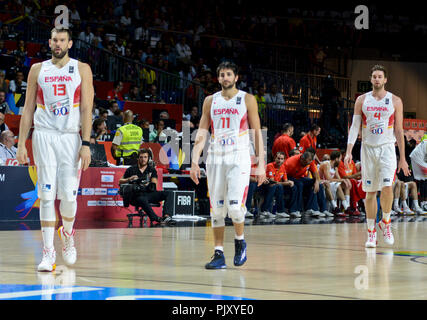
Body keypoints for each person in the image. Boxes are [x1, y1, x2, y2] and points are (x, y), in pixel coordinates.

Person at [16, 28, 93, 272]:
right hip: (44, 136)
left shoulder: (82, 69)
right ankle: (48, 252)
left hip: (70, 138)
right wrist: (20, 143)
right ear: (49, 42)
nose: (57, 44)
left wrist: (86, 144)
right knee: (47, 195)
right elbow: (27, 109)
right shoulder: (38, 69)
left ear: (69, 43)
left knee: (69, 197)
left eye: (62, 40)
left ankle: (67, 234)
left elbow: (86, 110)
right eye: (54, 40)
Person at [190, 61, 266, 269]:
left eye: (229, 74)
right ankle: (219, 254)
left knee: (235, 208)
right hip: (215, 157)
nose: (225, 78)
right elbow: (202, 133)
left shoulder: (247, 99)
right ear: (218, 78)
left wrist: (261, 164)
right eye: (222, 74)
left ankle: (240, 242)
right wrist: (194, 161)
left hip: (239, 156)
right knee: (216, 210)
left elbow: (257, 132)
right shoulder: (210, 101)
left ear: (236, 77)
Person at [344, 65, 410, 248]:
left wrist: (402, 158)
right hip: (367, 149)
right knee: (370, 192)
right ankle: (371, 231)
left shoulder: (395, 101)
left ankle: (386, 223)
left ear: (385, 79)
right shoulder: (362, 100)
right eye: (374, 76)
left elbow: (399, 130)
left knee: (388, 187)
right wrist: (349, 151)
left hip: (387, 148)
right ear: (371, 79)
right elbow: (354, 126)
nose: (377, 79)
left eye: (380, 76)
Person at [119, 149, 172, 224]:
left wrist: (148, 183)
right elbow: (120, 181)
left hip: (149, 193)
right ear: (138, 158)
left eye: (145, 157)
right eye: (141, 157)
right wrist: (129, 179)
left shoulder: (151, 170)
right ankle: (155, 218)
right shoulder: (131, 169)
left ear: (148, 158)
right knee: (141, 199)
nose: (143, 159)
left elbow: (154, 185)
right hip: (136, 195)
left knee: (169, 193)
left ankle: (166, 216)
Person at [285, 150, 331, 217]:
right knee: (299, 184)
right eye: (305, 163)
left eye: (308, 164)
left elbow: (316, 175)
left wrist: (317, 182)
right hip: (289, 178)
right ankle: (297, 210)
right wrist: (287, 182)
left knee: (319, 185)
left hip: (299, 178)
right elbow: (283, 174)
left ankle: (322, 210)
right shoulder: (290, 162)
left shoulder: (310, 162)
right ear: (302, 159)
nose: (306, 165)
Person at [264, 151, 300, 218]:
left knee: (294, 187)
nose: (279, 160)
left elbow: (285, 180)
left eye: (281, 159)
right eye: (278, 158)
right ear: (275, 158)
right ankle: (274, 211)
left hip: (277, 186)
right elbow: (272, 182)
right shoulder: (270, 166)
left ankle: (293, 210)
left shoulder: (283, 167)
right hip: (267, 186)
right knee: (278, 186)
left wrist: (290, 182)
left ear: (284, 160)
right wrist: (286, 183)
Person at [318, 150, 353, 217]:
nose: (340, 160)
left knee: (344, 184)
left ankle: (347, 207)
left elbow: (339, 179)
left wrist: (345, 180)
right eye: (340, 159)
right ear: (336, 159)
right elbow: (328, 179)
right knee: (337, 184)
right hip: (321, 182)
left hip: (329, 183)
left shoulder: (335, 167)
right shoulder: (326, 164)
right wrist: (342, 180)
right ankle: (335, 207)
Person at [409, 136, 427, 211]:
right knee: (424, 181)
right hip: (417, 158)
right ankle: (424, 203)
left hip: (418, 157)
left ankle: (423, 203)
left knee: (424, 180)